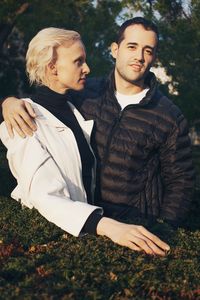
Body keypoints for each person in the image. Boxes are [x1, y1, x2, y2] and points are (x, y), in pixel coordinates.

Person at [0, 26, 170, 256]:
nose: (87, 68)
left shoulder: (76, 107)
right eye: (78, 62)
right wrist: (109, 226)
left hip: (86, 238)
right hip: (47, 248)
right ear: (52, 68)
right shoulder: (24, 121)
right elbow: (45, 197)